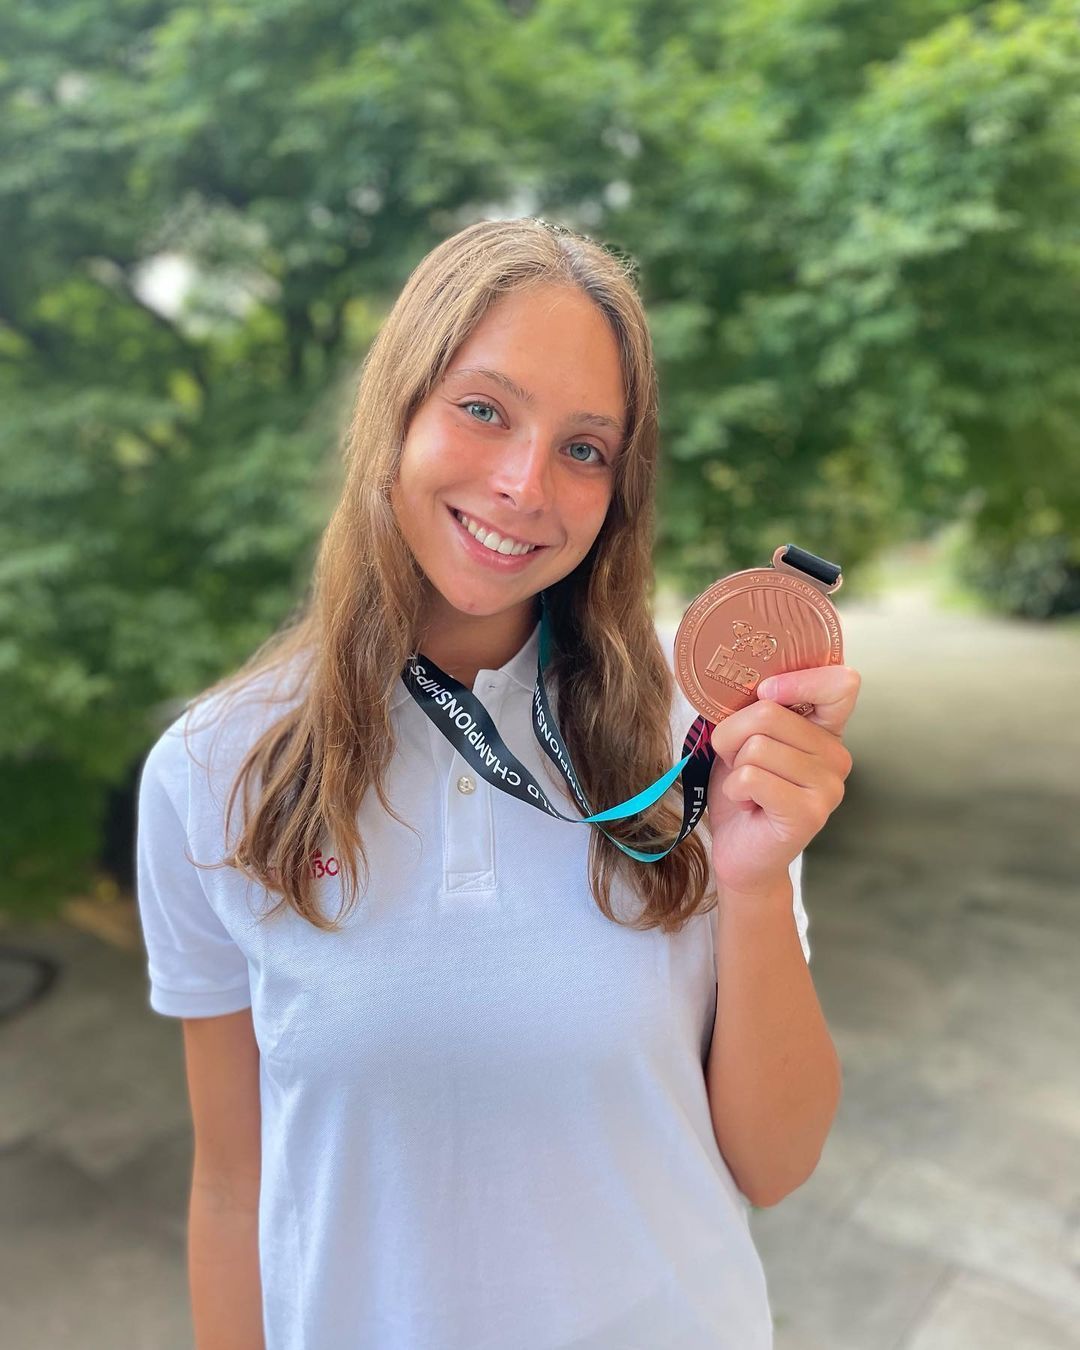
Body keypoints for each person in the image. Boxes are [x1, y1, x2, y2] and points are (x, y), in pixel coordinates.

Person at [135, 217, 858, 1350]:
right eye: (483, 409)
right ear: (396, 412)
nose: (525, 484)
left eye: (586, 448)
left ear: (619, 489)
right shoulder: (213, 770)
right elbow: (234, 1189)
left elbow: (777, 1163)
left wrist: (755, 881)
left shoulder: (698, 738)